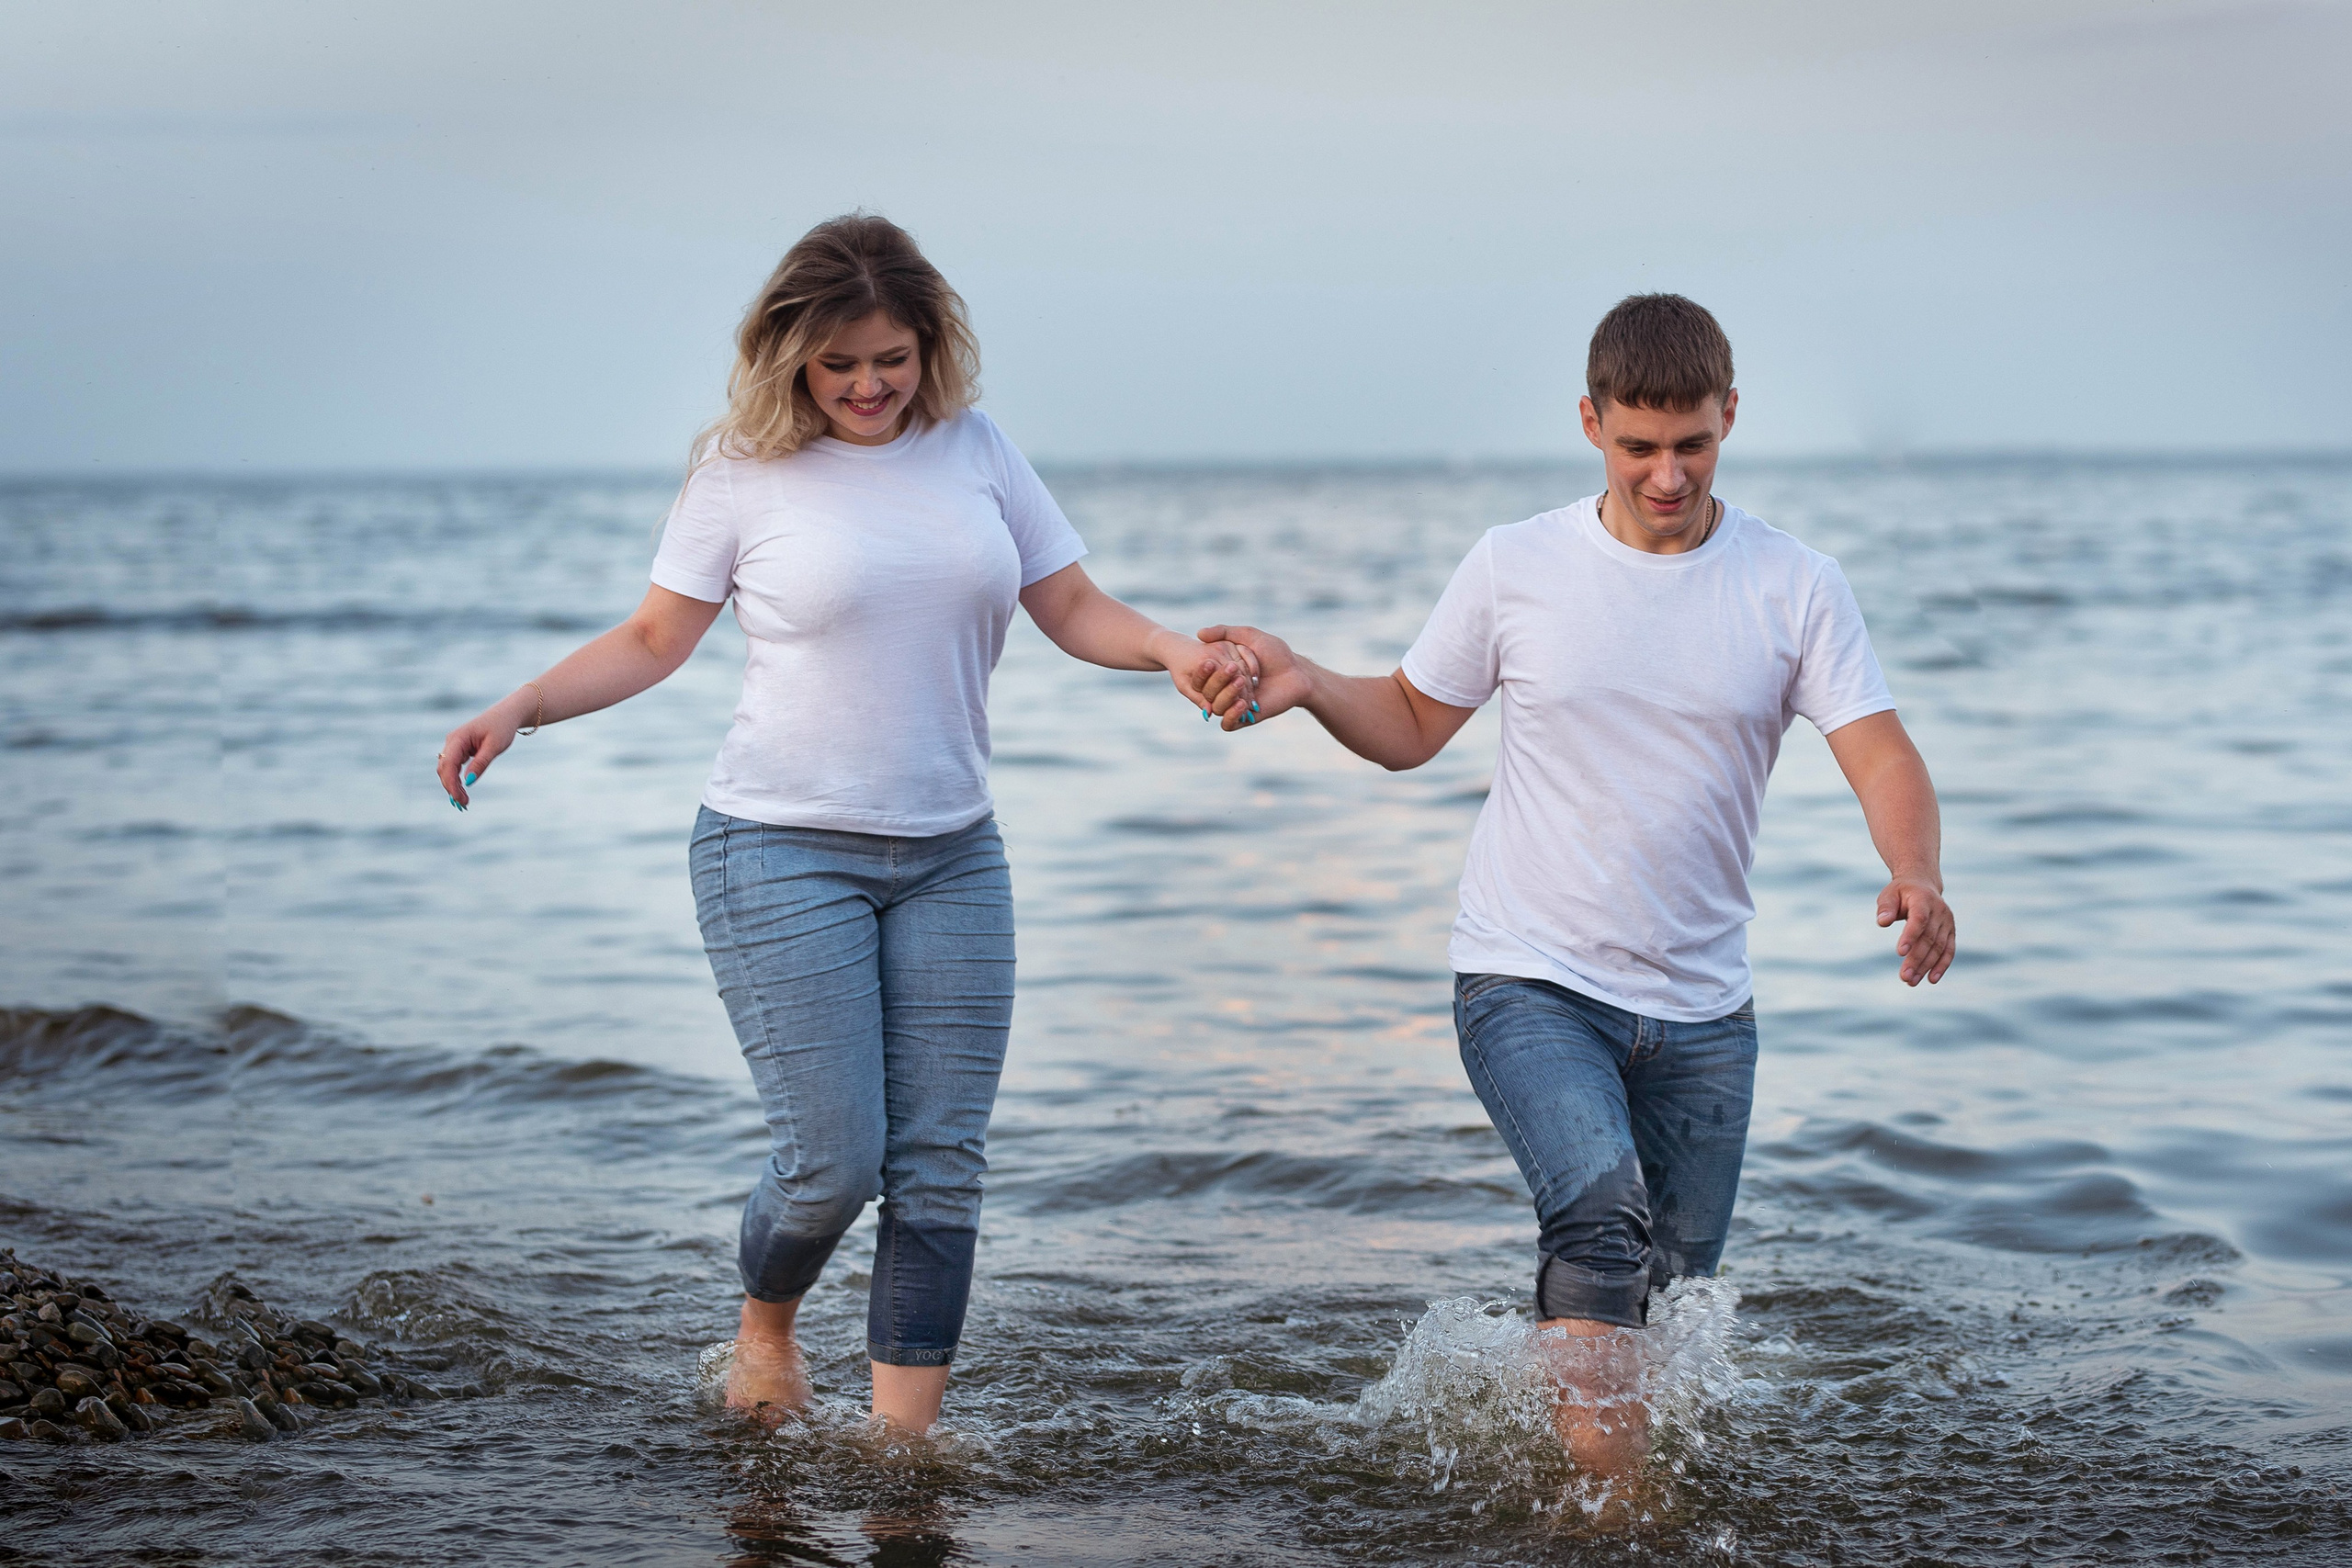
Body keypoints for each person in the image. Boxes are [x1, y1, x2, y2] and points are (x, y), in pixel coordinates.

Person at [433, 213, 1249, 1435]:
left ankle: (900, 1454)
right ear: (792, 357)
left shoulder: (978, 449)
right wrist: (523, 707)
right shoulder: (739, 472)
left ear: (931, 347)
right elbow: (654, 638)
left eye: (893, 360)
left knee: (941, 1168)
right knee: (834, 1163)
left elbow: (1074, 604)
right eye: (840, 365)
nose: (870, 387)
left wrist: (1177, 652)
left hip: (954, 855)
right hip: (777, 848)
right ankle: (764, 1328)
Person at [1195, 294, 1955, 1479]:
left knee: (1671, 1305)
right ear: (1591, 423)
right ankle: (1620, 1524)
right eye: (1640, 446)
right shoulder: (1519, 566)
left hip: (1706, 1013)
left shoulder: (1795, 584)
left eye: (1693, 443)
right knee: (1600, 1231)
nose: (1668, 475)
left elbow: (1882, 752)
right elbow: (1410, 724)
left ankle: (1558, 1457)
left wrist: (1915, 871)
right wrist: (1310, 683)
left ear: (1731, 416)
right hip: (1529, 979)